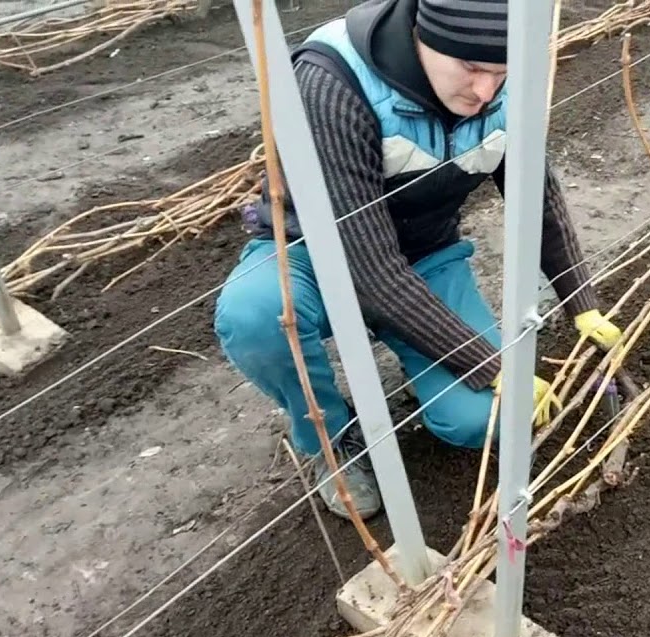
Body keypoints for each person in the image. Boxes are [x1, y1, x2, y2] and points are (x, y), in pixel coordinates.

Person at [213, 0, 623, 521]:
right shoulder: (332, 82)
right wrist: (490, 362)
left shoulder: (502, 87)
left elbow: (534, 198)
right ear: (421, 38)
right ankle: (328, 439)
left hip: (426, 254)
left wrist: (580, 300)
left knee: (487, 418)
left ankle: (424, 365)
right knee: (256, 318)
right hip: (313, 252)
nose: (485, 92)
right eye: (472, 68)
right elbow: (370, 269)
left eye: (502, 74)